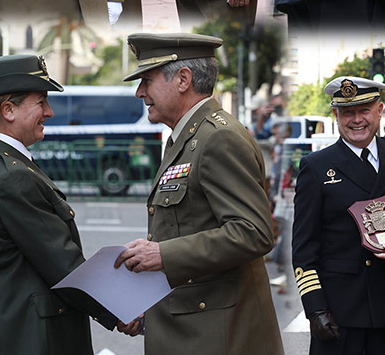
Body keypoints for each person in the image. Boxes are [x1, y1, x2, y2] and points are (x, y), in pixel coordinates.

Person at [115, 32, 284, 354]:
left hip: (217, 333)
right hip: (192, 322)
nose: (140, 92)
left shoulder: (218, 138)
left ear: (183, 79)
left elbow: (254, 233)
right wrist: (147, 303)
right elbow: (190, 228)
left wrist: (163, 254)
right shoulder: (187, 136)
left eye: (147, 81)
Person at [0, 52, 125, 355]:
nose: (49, 112)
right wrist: (120, 310)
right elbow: (64, 266)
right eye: (41, 102)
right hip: (24, 338)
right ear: (8, 110)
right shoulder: (13, 176)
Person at [292, 75, 385, 355]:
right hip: (341, 312)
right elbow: (303, 249)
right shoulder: (316, 167)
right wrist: (315, 309)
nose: (357, 120)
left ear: (380, 110)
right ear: (335, 115)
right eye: (347, 112)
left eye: (364, 110)